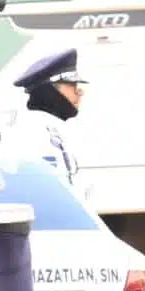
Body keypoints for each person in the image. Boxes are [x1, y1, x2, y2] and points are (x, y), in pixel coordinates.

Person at [12, 48, 84, 189]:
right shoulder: (36, 133)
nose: (80, 92)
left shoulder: (53, 128)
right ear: (50, 91)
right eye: (72, 85)